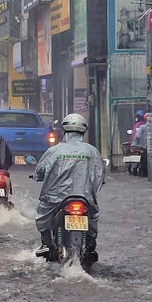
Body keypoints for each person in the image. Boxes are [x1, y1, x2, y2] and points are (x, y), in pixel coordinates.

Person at [33, 112, 106, 262]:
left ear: (64, 131)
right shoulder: (92, 151)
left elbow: (40, 171)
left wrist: (38, 177)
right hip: (85, 197)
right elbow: (100, 174)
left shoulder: (54, 151)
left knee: (42, 213)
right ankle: (90, 244)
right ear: (83, 131)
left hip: (56, 198)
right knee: (93, 216)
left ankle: (46, 243)